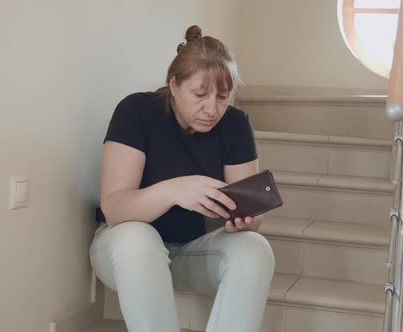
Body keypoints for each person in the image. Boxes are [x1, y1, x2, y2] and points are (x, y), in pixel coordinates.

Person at [89, 25, 276, 332]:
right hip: (124, 251)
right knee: (138, 239)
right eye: (200, 95)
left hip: (194, 250)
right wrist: (175, 190)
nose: (212, 109)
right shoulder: (136, 112)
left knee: (256, 249)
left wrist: (243, 220)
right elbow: (115, 209)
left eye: (222, 97)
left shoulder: (235, 124)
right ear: (174, 85)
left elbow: (252, 218)